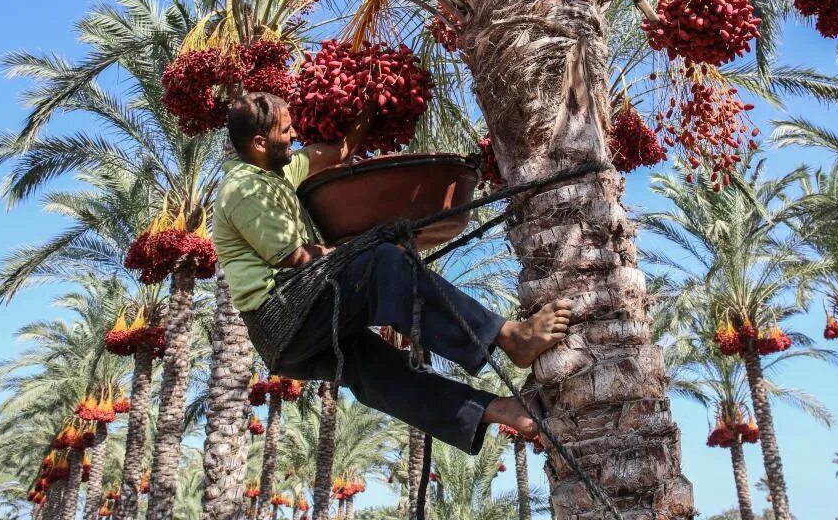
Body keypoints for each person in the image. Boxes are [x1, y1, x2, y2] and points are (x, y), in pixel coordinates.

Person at [212, 91, 573, 453]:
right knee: (382, 263)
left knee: (377, 370)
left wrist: (370, 99)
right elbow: (298, 258)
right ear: (260, 143)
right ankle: (510, 337)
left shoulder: (279, 171)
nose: (295, 137)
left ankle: (500, 409)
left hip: (293, 341)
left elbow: (338, 151)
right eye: (286, 131)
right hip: (285, 316)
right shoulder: (244, 189)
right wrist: (368, 244)